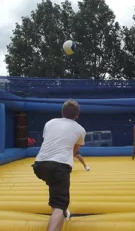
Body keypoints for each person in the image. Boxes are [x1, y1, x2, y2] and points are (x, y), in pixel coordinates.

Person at [32, 99, 86, 231]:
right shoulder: (80, 130)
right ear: (77, 115)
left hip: (39, 166)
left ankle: (63, 211)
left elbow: (49, 142)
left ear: (62, 112)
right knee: (59, 204)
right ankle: (60, 212)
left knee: (55, 186)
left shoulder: (50, 123)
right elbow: (74, 151)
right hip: (58, 166)